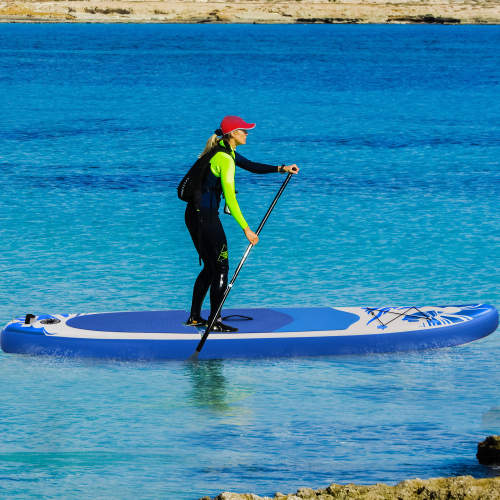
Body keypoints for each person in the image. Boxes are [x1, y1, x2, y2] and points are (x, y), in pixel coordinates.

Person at [185, 116, 299, 332]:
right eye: (244, 131)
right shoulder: (225, 158)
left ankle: (194, 317)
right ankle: (215, 321)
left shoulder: (220, 149)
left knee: (211, 266)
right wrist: (246, 229)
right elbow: (231, 198)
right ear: (232, 134)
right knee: (221, 267)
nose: (247, 134)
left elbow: (251, 166)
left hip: (193, 215)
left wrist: (282, 168)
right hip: (206, 219)